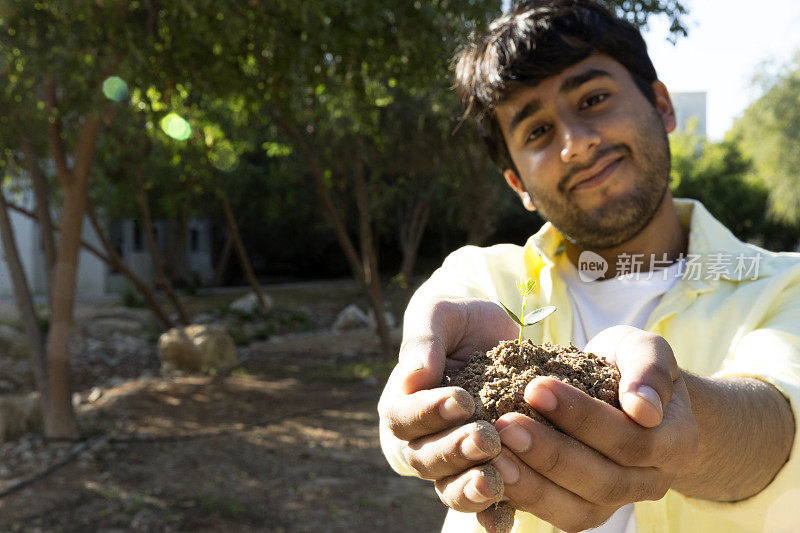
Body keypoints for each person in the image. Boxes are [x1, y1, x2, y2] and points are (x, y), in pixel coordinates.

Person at [377, 1, 800, 532]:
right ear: (518, 185)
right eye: (537, 133)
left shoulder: (783, 284)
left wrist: (681, 416)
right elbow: (407, 411)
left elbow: (780, 424)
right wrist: (418, 411)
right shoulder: (485, 278)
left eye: (594, 99)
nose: (578, 144)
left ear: (662, 105)